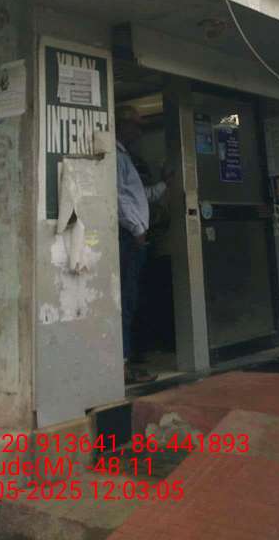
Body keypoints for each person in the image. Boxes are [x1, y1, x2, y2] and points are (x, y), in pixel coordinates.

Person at [116, 105, 171, 384]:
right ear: (123, 125)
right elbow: (117, 198)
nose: (139, 133)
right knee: (125, 300)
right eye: (136, 126)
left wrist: (164, 185)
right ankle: (122, 366)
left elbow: (139, 195)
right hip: (128, 237)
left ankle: (127, 360)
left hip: (134, 237)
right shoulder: (117, 157)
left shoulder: (126, 157)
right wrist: (137, 229)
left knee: (132, 298)